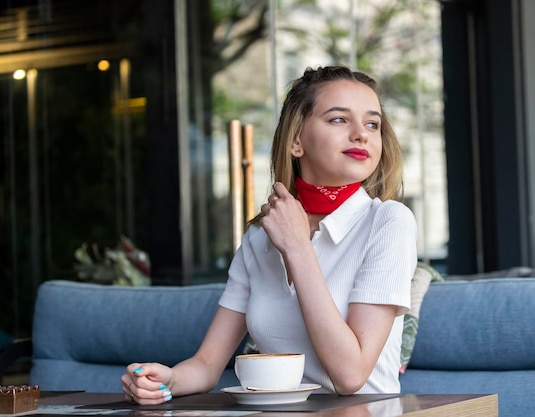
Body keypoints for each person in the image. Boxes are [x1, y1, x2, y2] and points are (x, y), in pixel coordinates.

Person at [121, 65, 418, 404]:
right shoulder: (259, 237)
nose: (361, 134)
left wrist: (297, 248)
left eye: (372, 124)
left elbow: (350, 377)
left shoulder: (389, 222)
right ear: (296, 140)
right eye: (339, 119)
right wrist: (165, 380)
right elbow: (207, 365)